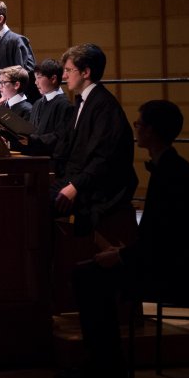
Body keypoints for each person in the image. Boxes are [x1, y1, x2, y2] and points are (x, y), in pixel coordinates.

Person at [67, 100, 189, 378]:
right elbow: (161, 237)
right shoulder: (171, 167)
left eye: (140, 124)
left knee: (88, 277)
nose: (136, 128)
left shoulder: (171, 175)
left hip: (178, 273)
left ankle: (106, 367)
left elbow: (166, 243)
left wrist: (121, 256)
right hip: (169, 262)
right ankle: (105, 364)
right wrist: (125, 252)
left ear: (152, 131)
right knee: (91, 272)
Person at [53, 44, 137, 241]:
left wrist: (74, 187)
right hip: (80, 180)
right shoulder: (84, 101)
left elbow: (103, 158)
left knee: (36, 207)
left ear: (86, 72)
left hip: (98, 191)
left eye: (68, 70)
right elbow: (63, 142)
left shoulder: (104, 106)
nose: (64, 77)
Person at [17, 58, 72, 157]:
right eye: (35, 78)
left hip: (50, 161)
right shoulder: (37, 103)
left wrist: (33, 140)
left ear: (53, 79)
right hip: (34, 158)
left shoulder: (65, 105)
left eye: (39, 77)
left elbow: (60, 137)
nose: (35, 82)